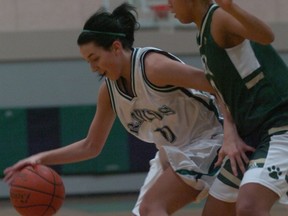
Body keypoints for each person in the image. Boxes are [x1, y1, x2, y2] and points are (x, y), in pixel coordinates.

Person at [4, 3, 225, 216]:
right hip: (171, 152)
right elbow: (91, 146)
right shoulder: (108, 91)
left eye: (95, 58)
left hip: (208, 141)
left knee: (151, 208)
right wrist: (41, 158)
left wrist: (232, 136)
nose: (93, 68)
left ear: (116, 47)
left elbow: (221, 86)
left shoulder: (154, 67)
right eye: (88, 62)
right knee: (145, 212)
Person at [168, 0, 288, 216]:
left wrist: (231, 7)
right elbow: (222, 92)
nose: (168, 5)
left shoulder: (219, 18)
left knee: (250, 206)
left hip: (279, 123)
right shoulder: (203, 34)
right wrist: (230, 133)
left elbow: (266, 36)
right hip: (251, 135)